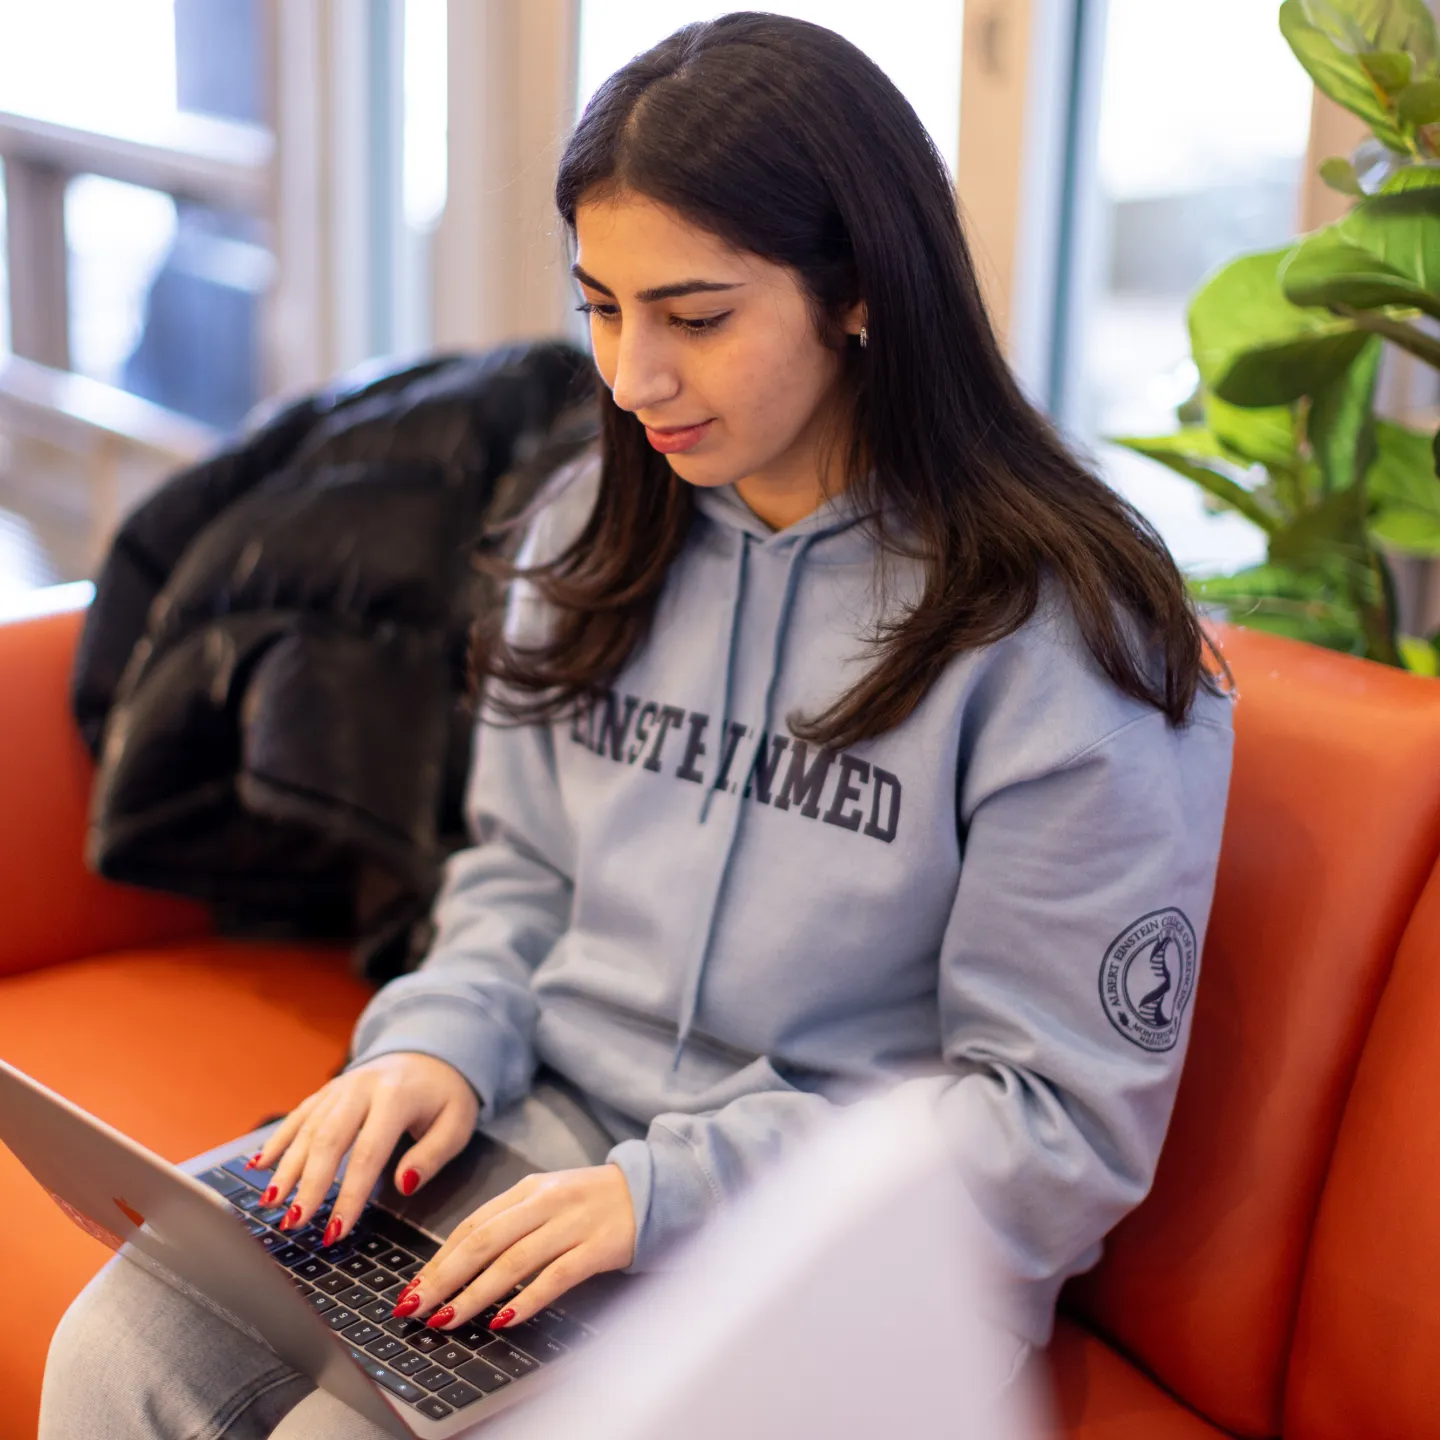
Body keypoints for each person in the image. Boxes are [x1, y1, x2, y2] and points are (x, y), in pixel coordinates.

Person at [40, 13, 1234, 1438]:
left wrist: (657, 1196)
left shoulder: (1065, 638)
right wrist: (427, 1046)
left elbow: (1052, 1128)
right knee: (123, 1343)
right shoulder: (597, 528)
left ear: (857, 292)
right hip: (539, 1138)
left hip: (832, 1259)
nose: (628, 376)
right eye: (601, 304)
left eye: (695, 315)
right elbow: (517, 875)